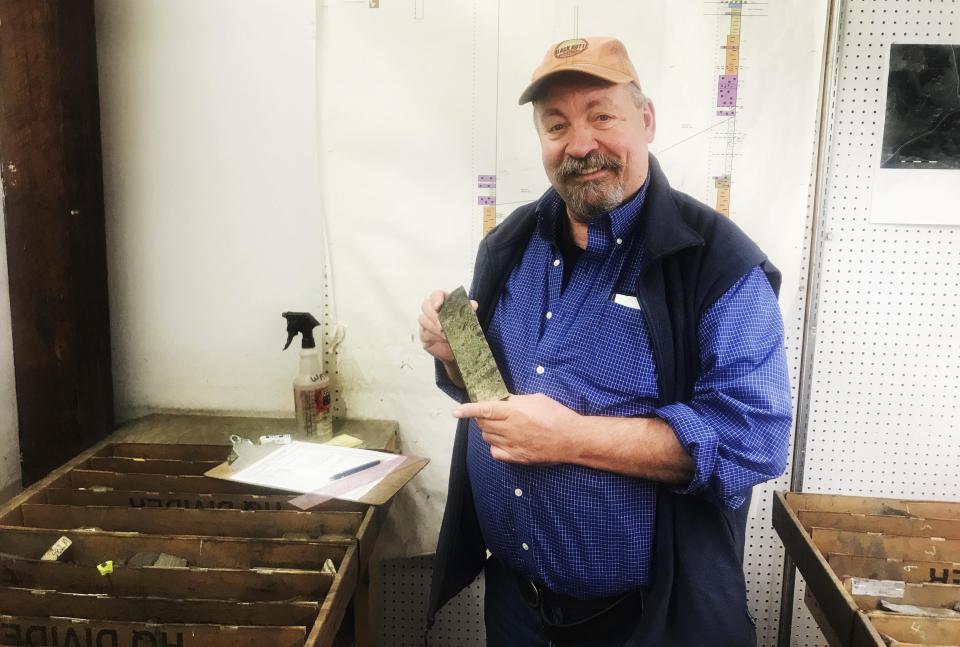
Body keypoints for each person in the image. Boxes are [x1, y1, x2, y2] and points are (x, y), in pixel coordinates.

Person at [418, 36, 792, 647]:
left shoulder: (716, 264)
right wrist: (457, 358)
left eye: (602, 116)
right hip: (515, 605)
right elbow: (504, 400)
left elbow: (754, 442)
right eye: (557, 125)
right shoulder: (510, 245)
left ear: (645, 121)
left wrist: (570, 439)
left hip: (649, 621)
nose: (581, 143)